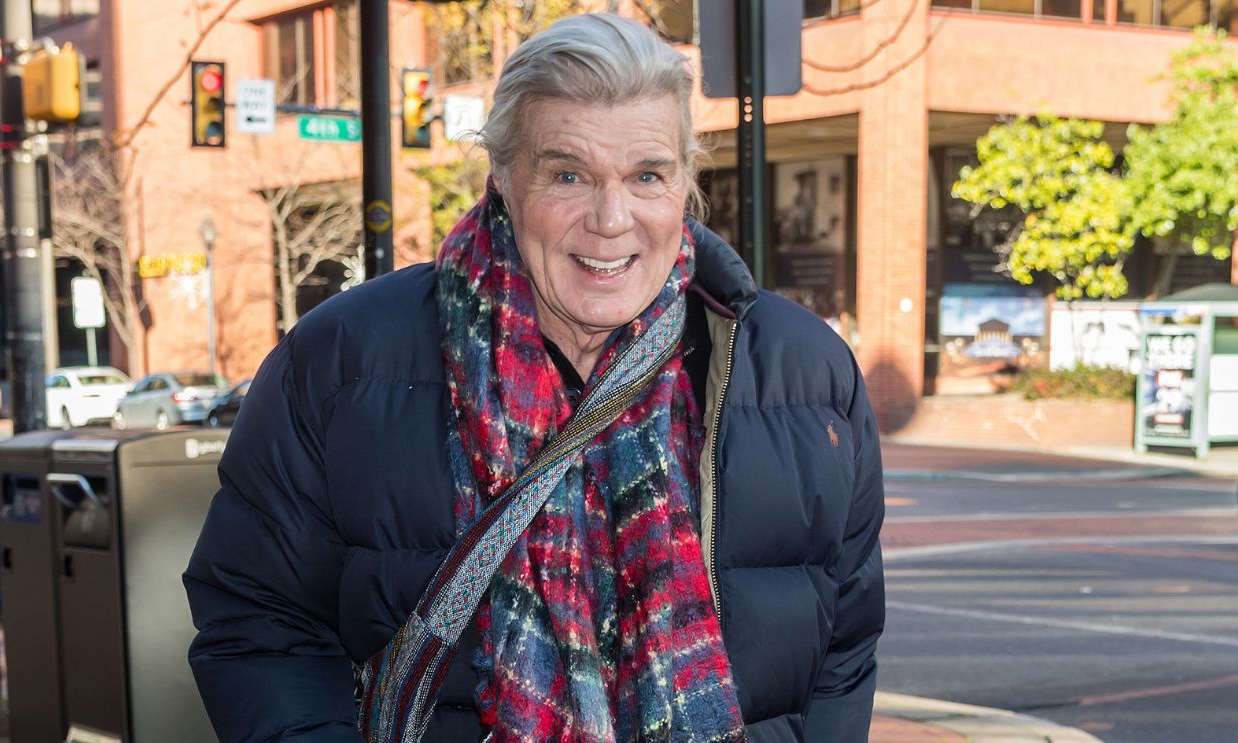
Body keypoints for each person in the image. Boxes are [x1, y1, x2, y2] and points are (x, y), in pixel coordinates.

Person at [184, 12, 884, 743]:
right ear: (504, 177)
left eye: (647, 175)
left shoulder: (805, 373)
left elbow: (844, 648)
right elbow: (260, 623)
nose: (611, 219)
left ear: (685, 180)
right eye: (568, 175)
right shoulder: (341, 361)